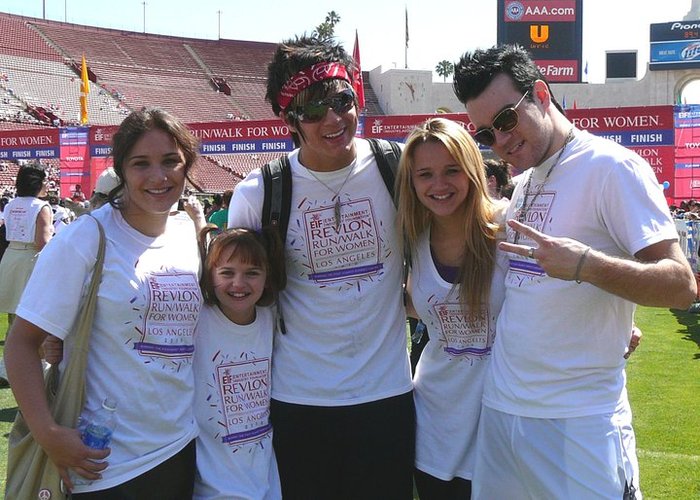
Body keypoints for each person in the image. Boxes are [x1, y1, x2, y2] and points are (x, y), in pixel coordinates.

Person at [452, 44, 697, 499]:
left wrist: (586, 265)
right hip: (504, 411)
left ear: (541, 95)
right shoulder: (525, 181)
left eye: (506, 120)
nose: (501, 141)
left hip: (579, 420)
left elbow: (681, 286)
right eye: (486, 134)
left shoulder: (612, 167)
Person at [227, 35, 414, 499]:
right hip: (298, 401)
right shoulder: (259, 192)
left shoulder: (399, 168)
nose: (333, 119)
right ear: (289, 119)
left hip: (387, 396)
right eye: (312, 110)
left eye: (341, 100)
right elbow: (231, 297)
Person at [4, 107, 203, 498]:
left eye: (170, 161)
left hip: (181, 447)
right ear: (121, 170)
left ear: (187, 165)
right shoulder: (85, 239)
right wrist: (48, 433)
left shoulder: (186, 233)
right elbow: (22, 343)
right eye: (140, 163)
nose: (158, 176)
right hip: (104, 463)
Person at [396, 117, 508, 499]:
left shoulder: (508, 229)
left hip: (502, 425)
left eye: (451, 171)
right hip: (435, 426)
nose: (438, 185)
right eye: (425, 174)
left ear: (473, 170)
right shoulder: (411, 239)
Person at [193, 226, 286, 499]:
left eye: (252, 273)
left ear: (267, 278)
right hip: (211, 486)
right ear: (210, 276)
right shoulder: (198, 319)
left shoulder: (271, 318)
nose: (239, 284)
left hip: (263, 481)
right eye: (227, 273)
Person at [0, 163, 52, 385]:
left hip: (11, 257)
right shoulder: (42, 207)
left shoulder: (11, 204)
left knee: (13, 315)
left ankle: (6, 368)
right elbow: (43, 242)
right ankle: (41, 367)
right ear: (38, 183)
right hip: (31, 260)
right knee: (35, 316)